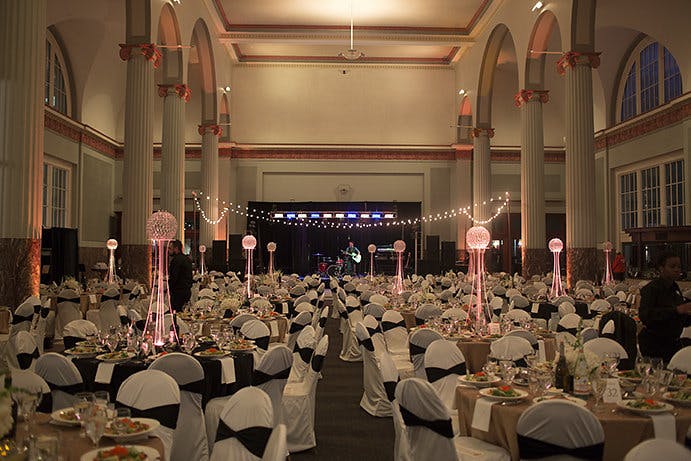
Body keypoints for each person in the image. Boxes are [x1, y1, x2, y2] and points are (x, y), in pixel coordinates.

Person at [638, 252, 691, 363]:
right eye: (672, 266)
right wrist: (676, 310)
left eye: (679, 266)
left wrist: (687, 315)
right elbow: (645, 315)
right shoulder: (652, 289)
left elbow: (679, 319)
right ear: (661, 268)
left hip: (672, 343)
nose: (677, 270)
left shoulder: (674, 288)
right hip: (654, 344)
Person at [168, 240, 192, 311]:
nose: (168, 251)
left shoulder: (175, 261)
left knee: (176, 314)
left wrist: (169, 288)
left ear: (176, 248)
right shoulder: (187, 259)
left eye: (170, 248)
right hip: (187, 292)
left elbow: (174, 277)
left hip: (178, 293)